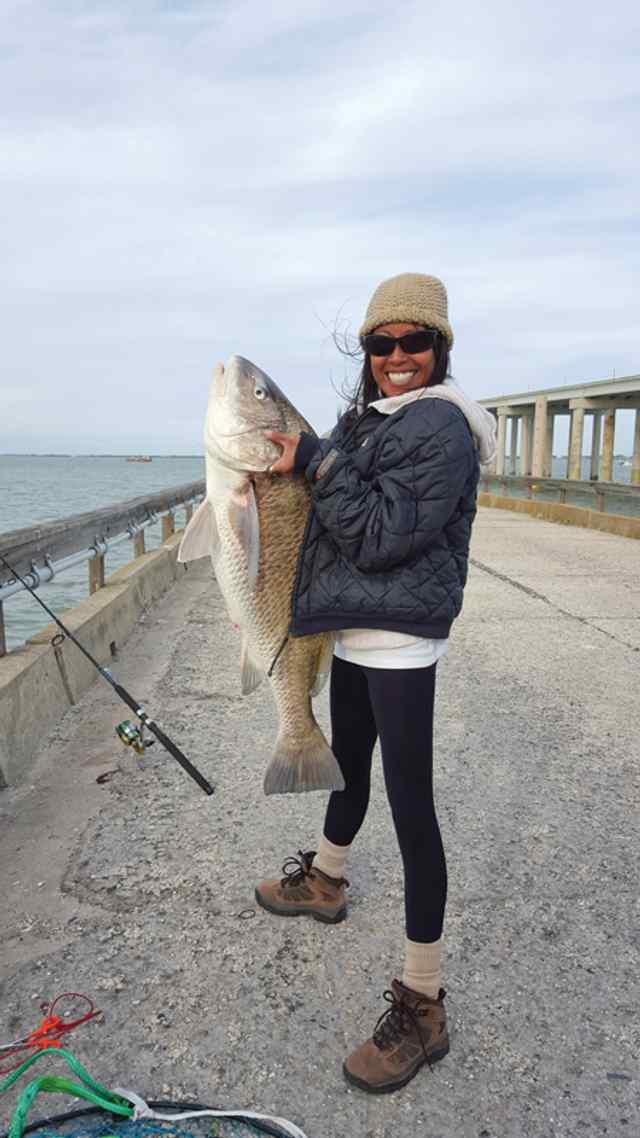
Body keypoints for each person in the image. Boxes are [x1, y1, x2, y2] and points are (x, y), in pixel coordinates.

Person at [255, 272, 496, 1094]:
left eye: (413, 341)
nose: (397, 356)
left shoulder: (443, 427)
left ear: (439, 346)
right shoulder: (367, 419)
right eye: (380, 343)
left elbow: (383, 533)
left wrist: (317, 462)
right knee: (348, 764)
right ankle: (327, 878)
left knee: (412, 808)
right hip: (351, 628)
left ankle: (424, 1003)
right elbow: (315, 491)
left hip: (399, 641)